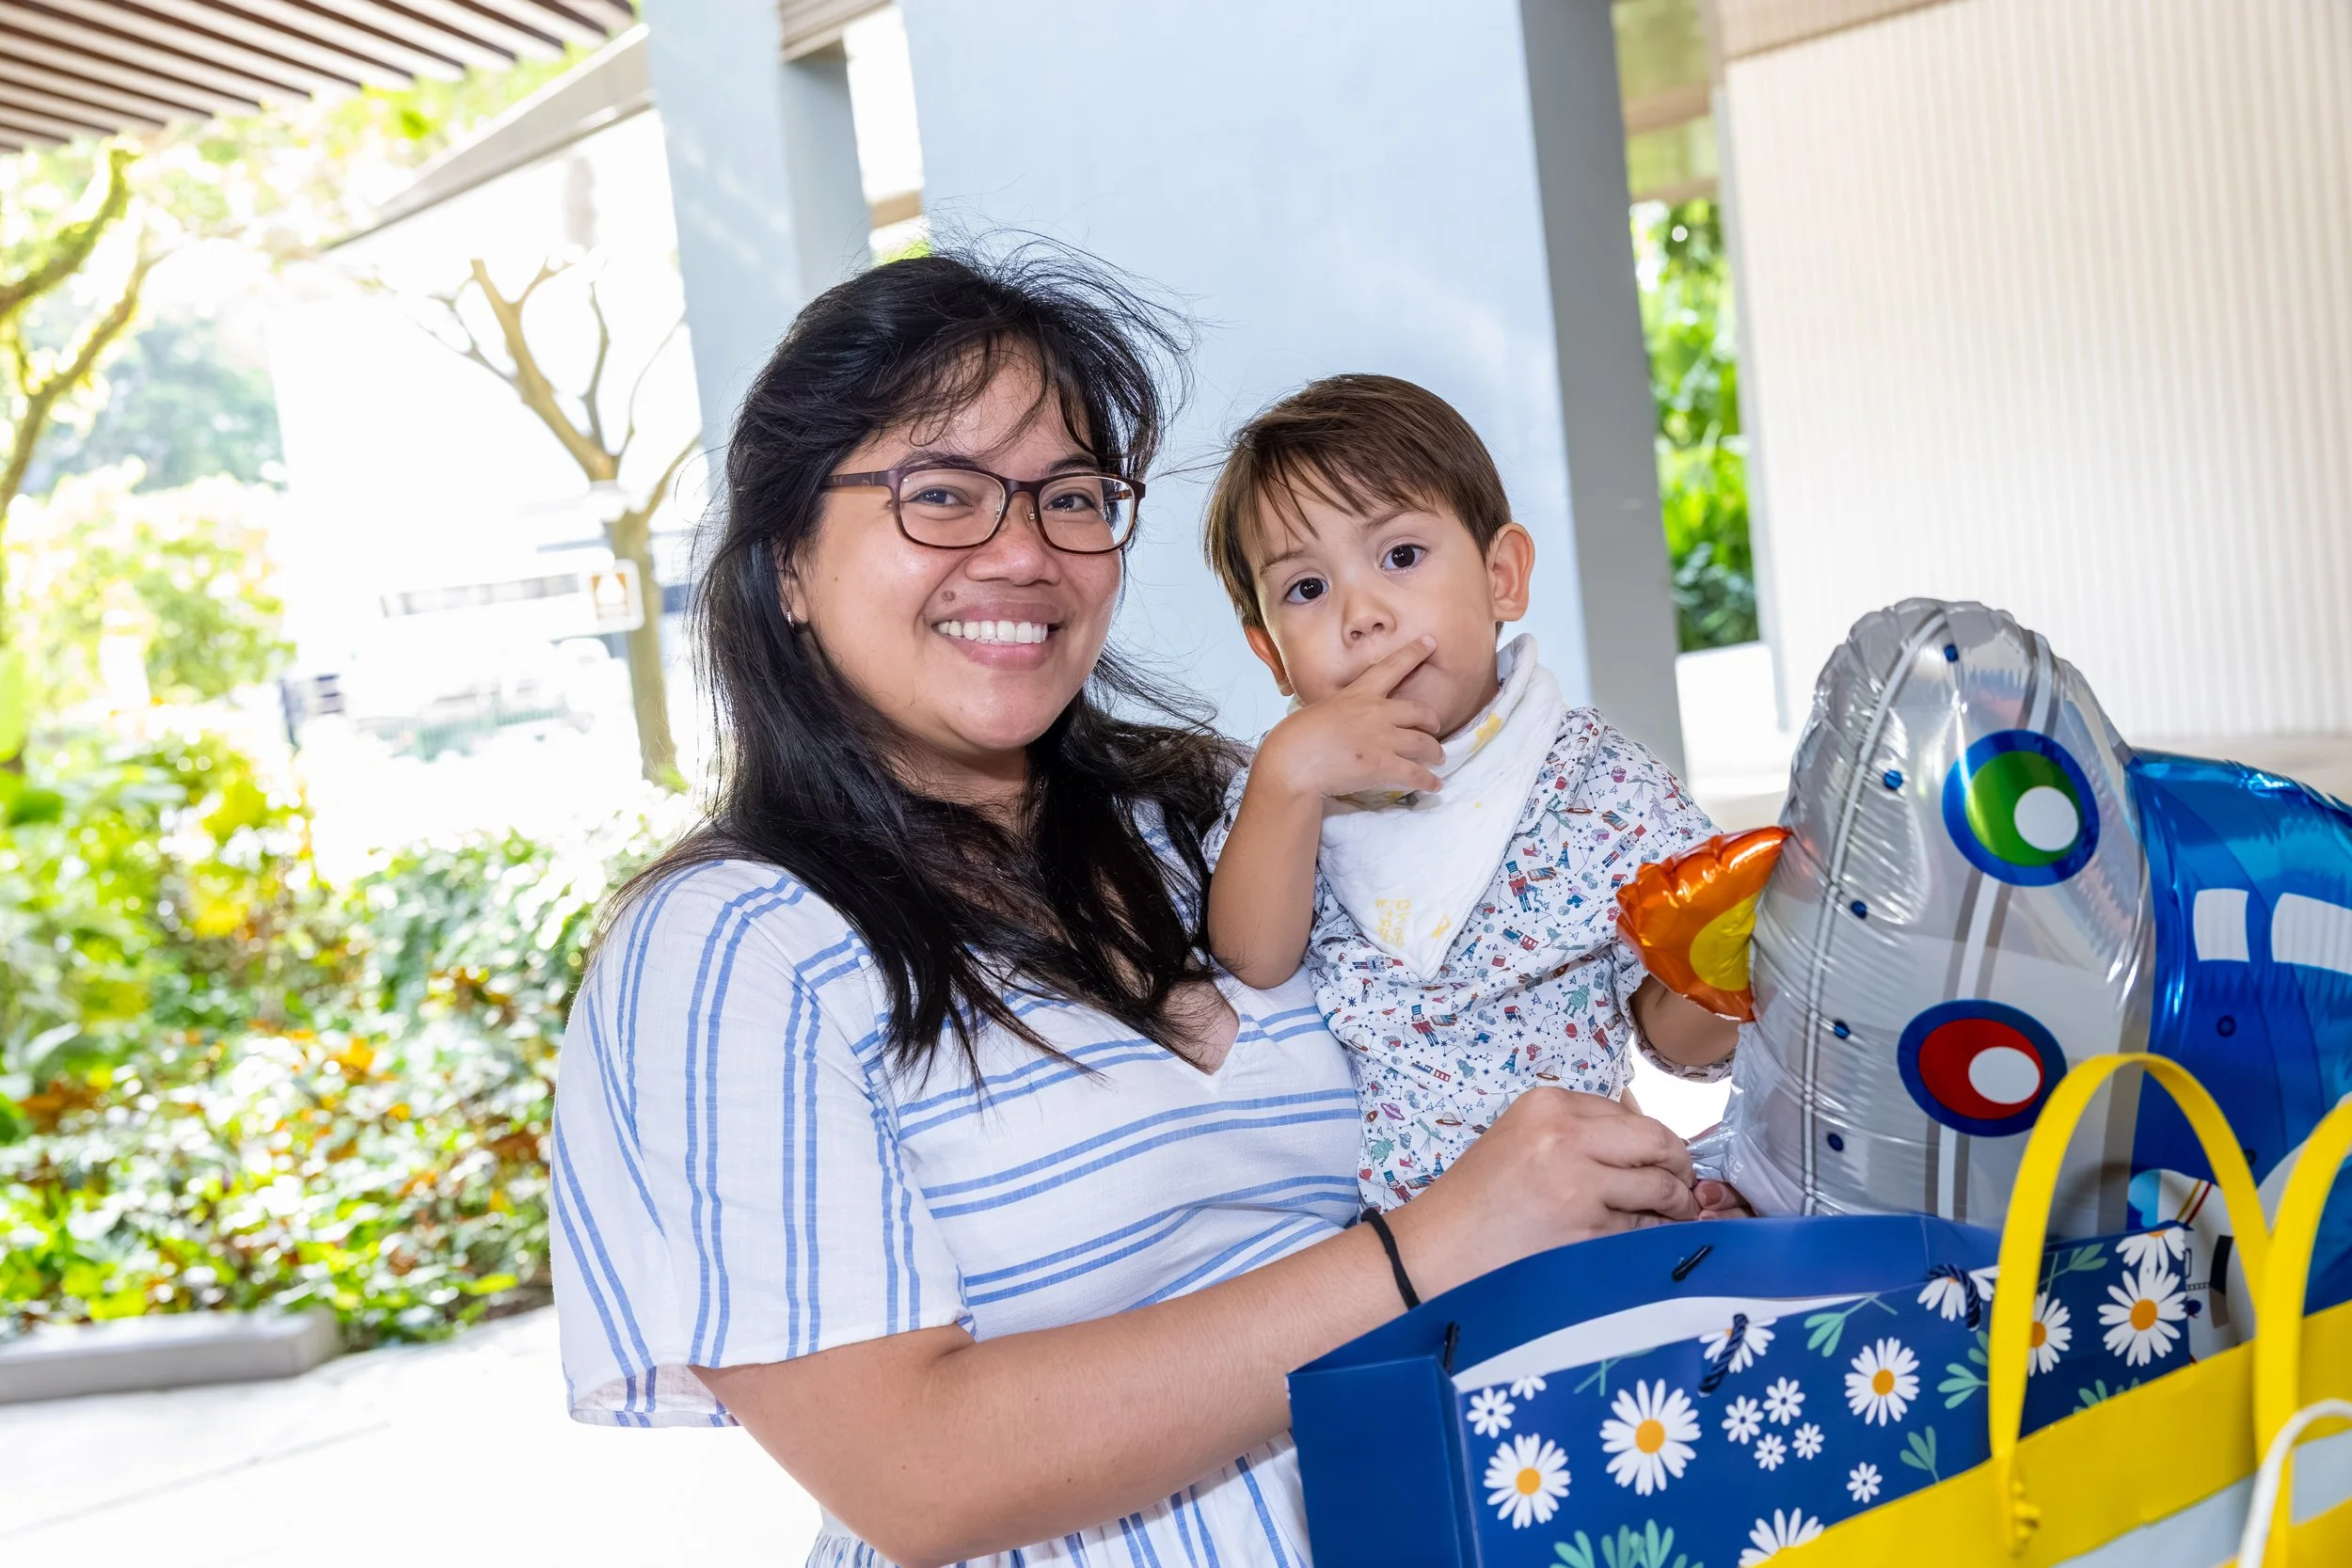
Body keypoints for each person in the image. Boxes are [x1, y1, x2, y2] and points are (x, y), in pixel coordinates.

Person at [550, 248, 1707, 1568]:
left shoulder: (1210, 816)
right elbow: (917, 1476)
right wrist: (1428, 1249)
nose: (1023, 552)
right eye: (942, 494)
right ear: (787, 565)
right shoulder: (728, 948)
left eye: (1070, 497)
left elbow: (1537, 1012)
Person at [1200, 374, 1742, 1211]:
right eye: (1307, 589)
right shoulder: (1292, 789)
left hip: (1584, 1207)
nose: (1362, 615)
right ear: (1272, 654)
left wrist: (1732, 963)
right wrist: (1286, 780)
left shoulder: (1595, 782)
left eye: (1400, 556)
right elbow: (1252, 957)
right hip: (1391, 1244)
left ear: (1502, 577)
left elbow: (1678, 1039)